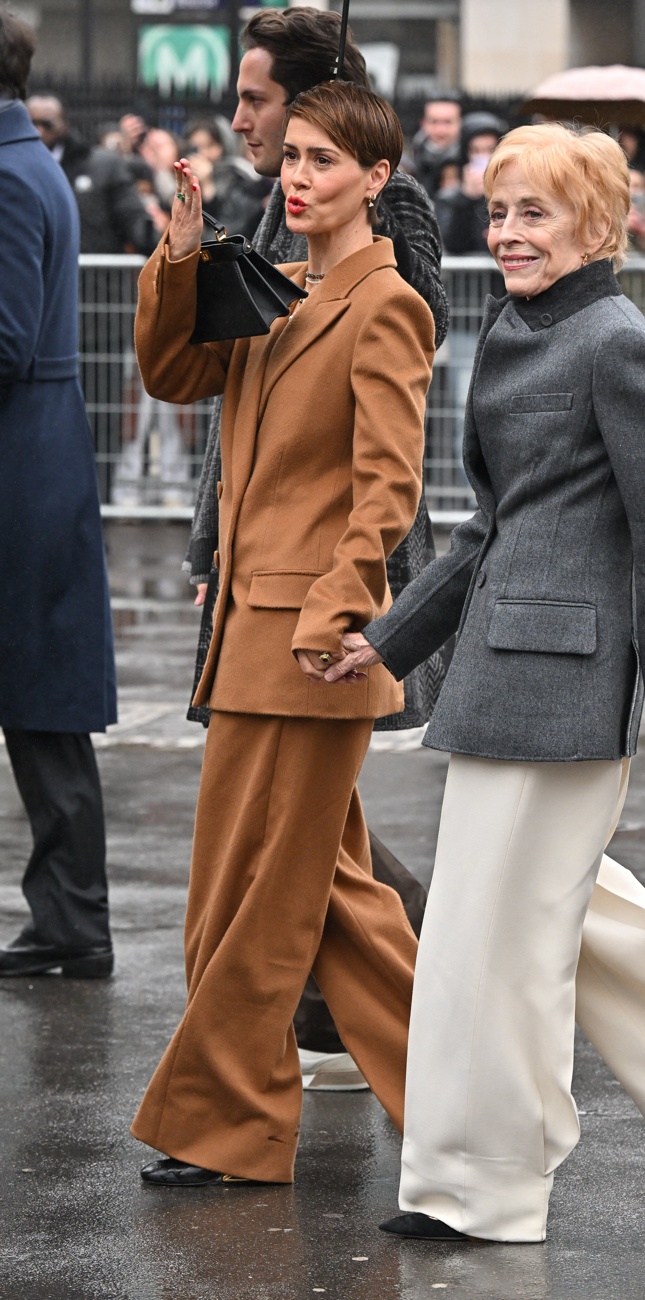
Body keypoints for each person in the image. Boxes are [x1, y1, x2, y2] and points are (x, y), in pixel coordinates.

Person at [327, 124, 645, 1243]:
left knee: (498, 948)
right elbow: (492, 527)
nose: (507, 233)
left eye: (534, 212)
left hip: (572, 691)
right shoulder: (512, 328)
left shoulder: (615, 343)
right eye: (497, 212)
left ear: (598, 224)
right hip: (498, 675)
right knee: (538, 923)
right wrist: (387, 642)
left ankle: (485, 1192)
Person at [130, 79, 435, 1187]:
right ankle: (470, 1100)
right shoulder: (274, 284)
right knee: (331, 902)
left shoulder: (385, 303)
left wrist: (334, 606)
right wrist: (178, 255)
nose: (295, 177)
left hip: (309, 646)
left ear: (375, 180)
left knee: (256, 898)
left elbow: (386, 485)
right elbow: (173, 373)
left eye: (320, 161)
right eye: (290, 157)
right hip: (248, 640)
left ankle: (228, 1120)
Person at [184, 3, 450, 1093]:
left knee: (289, 859)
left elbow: (393, 372)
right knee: (309, 860)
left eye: (261, 102)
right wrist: (213, 543)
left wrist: (342, 599)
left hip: (324, 599)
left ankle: (442, 1055)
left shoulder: (383, 223)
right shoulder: (276, 217)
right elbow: (226, 403)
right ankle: (452, 1071)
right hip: (259, 585)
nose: (241, 120)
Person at [0, 12, 117, 979]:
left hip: (20, 461)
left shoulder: (7, 170)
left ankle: (74, 920)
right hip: (33, 453)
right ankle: (70, 918)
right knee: (43, 706)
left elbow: (1, 340)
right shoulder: (27, 158)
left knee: (43, 704)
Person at [25, 93, 156, 254]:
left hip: (95, 275)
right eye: (32, 124)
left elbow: (133, 220)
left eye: (47, 124)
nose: (39, 130)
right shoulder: (11, 166)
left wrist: (168, 248)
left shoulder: (104, 166)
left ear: (64, 123)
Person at [435, 110, 506, 254]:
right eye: (475, 150)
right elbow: (453, 244)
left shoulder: (511, 195)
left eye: (490, 150)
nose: (483, 157)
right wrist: (466, 198)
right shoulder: (449, 198)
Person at [410, 92, 462, 198]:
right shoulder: (410, 164)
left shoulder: (471, 162)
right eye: (434, 122)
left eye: (447, 122)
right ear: (423, 123)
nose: (440, 130)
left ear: (460, 123)